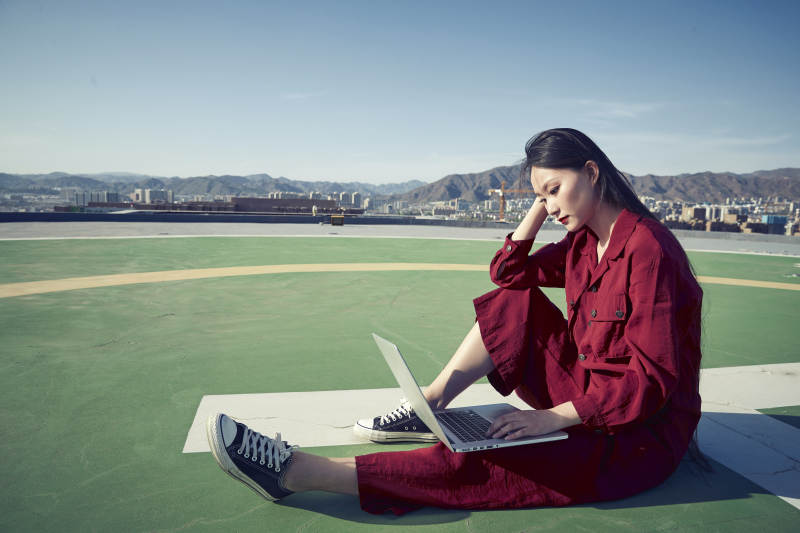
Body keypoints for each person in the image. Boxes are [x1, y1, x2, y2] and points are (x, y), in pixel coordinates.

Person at [206, 127, 704, 515]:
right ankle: (431, 403)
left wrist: (551, 418)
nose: (551, 207)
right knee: (517, 302)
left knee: (491, 462)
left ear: (592, 172)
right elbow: (508, 274)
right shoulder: (582, 241)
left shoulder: (648, 250)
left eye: (555, 190)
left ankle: (297, 471)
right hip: (589, 395)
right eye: (542, 197)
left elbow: (651, 382)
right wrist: (536, 208)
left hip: (637, 438)